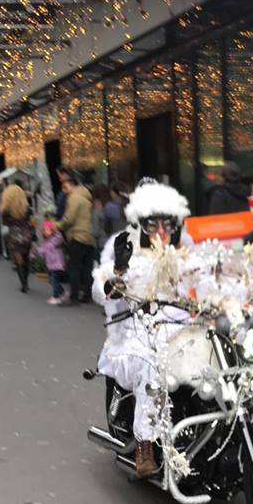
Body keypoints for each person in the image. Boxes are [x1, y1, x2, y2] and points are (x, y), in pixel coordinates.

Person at [92, 180, 194, 477]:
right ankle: (144, 445)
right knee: (153, 365)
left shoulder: (184, 249)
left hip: (183, 328)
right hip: (135, 331)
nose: (161, 231)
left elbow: (207, 280)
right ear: (140, 223)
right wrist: (118, 271)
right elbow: (100, 289)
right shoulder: (123, 245)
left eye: (167, 224)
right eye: (153, 224)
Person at [55, 171, 94, 304]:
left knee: (74, 266)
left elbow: (69, 219)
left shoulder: (74, 198)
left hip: (77, 235)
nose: (64, 191)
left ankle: (74, 296)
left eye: (65, 187)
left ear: (71, 185)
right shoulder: (86, 197)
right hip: (90, 235)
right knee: (87, 268)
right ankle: (87, 294)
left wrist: (57, 225)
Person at [0, 184, 35, 293]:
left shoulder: (6, 210)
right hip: (27, 234)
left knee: (18, 259)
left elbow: (5, 223)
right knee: (26, 258)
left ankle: (23, 284)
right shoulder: (27, 208)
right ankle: (27, 282)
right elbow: (33, 222)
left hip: (14, 235)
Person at [33, 219, 66, 304]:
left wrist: (56, 231)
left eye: (48, 230)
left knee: (54, 280)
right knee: (51, 280)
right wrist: (36, 251)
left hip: (57, 264)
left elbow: (59, 238)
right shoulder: (46, 241)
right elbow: (43, 251)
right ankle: (62, 292)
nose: (46, 232)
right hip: (51, 265)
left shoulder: (55, 239)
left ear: (53, 230)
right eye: (44, 230)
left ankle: (56, 297)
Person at [92, 184, 109, 260]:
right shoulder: (110, 206)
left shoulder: (97, 209)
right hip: (112, 241)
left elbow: (95, 231)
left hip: (101, 242)